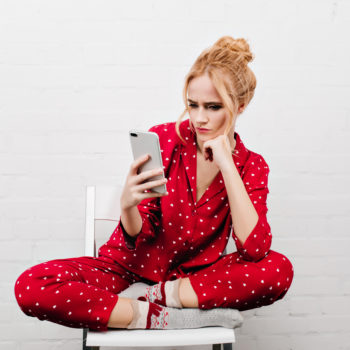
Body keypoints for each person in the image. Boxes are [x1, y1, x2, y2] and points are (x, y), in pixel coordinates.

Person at [14, 35, 294, 332]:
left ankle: (160, 299)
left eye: (213, 107)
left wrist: (227, 164)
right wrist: (127, 205)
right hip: (129, 268)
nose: (200, 118)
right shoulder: (163, 140)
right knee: (31, 285)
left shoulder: (252, 165)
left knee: (278, 271)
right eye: (192, 105)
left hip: (190, 281)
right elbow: (140, 232)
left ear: (240, 106)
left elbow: (254, 249)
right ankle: (158, 317)